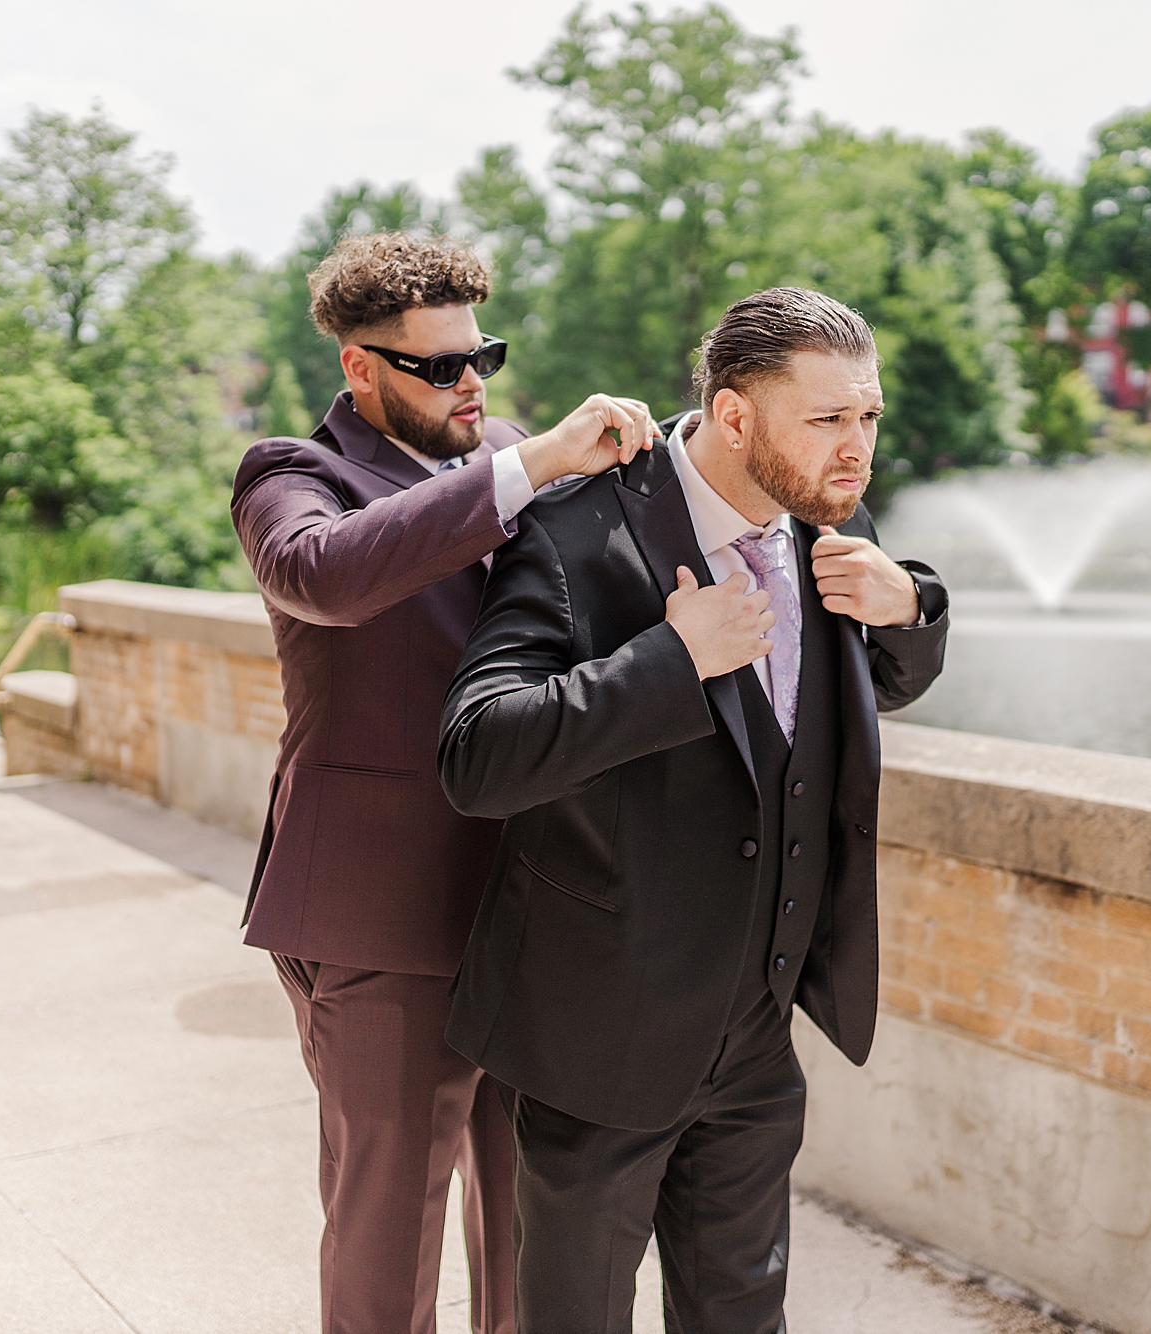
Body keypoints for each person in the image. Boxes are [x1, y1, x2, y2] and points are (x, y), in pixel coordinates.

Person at [438, 286, 950, 1332]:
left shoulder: (820, 514)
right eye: (826, 419)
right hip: (598, 1041)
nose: (854, 448)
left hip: (758, 1041)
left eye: (868, 417)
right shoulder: (577, 529)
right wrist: (669, 660)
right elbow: (476, 754)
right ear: (732, 415)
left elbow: (859, 689)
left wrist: (911, 605)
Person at [229, 231, 659, 1334]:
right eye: (436, 366)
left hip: (532, 900)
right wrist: (523, 468)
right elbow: (324, 578)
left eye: (483, 355)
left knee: (531, 1221)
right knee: (389, 1231)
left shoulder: (510, 443)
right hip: (377, 909)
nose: (470, 383)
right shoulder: (292, 474)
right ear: (359, 368)